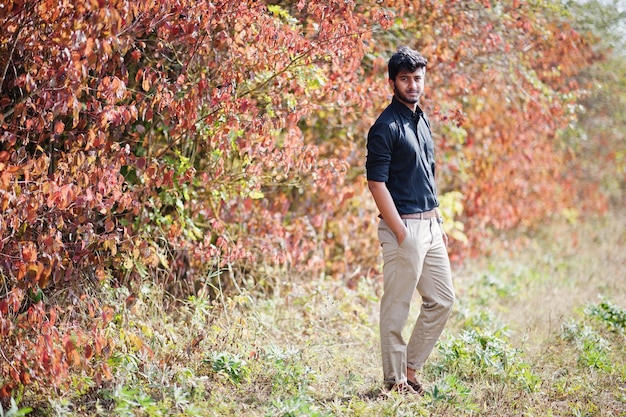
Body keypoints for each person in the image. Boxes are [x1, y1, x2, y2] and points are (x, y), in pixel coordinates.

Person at [365, 46, 455, 395]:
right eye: (405, 79)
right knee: (397, 307)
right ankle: (395, 382)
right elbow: (376, 183)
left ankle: (411, 368)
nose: (413, 85)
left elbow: (427, 174)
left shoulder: (422, 119)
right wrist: (402, 232)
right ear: (393, 82)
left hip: (431, 226)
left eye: (418, 78)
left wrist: (439, 220)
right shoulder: (384, 127)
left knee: (443, 300)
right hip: (404, 228)